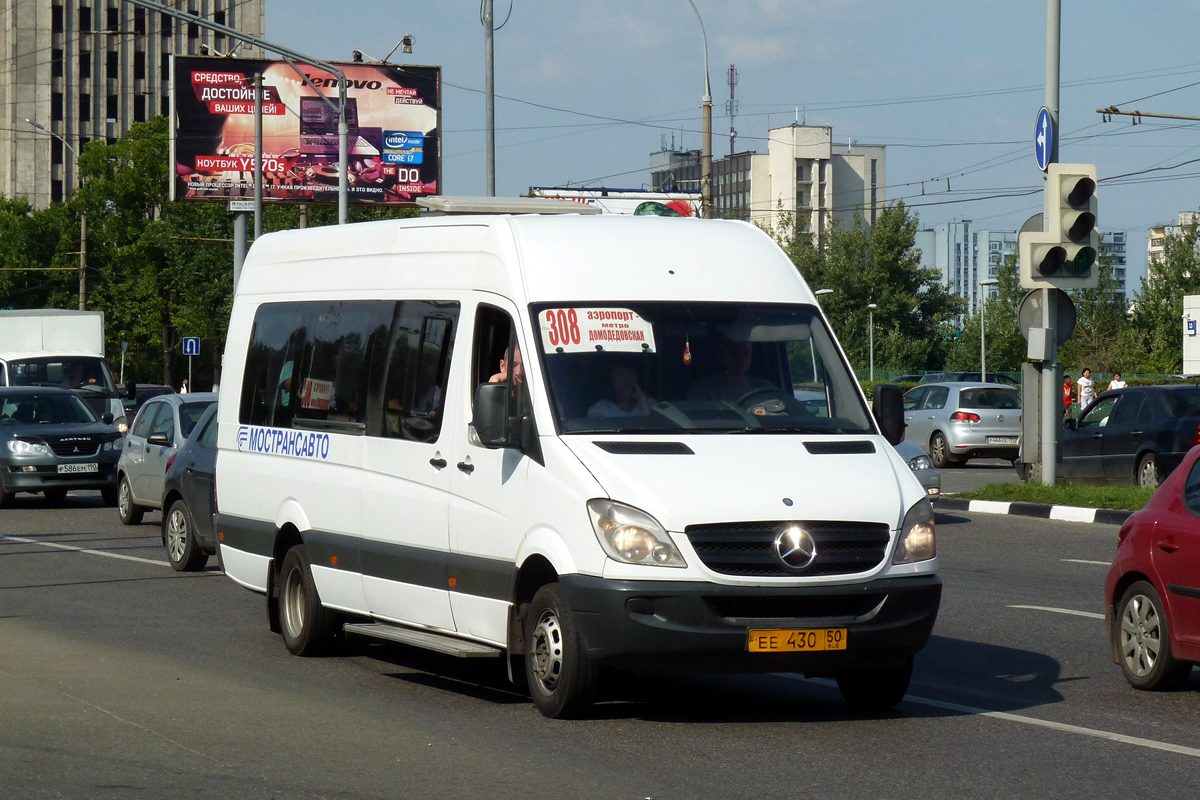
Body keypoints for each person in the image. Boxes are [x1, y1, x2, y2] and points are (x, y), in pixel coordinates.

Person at [687, 338, 773, 402]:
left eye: (746, 352)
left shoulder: (764, 389)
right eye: (735, 352)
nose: (742, 359)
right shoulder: (701, 390)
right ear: (721, 354)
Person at [588, 362, 655, 418]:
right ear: (611, 380)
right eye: (620, 374)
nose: (627, 379)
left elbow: (655, 428)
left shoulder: (649, 403)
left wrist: (642, 400)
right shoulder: (599, 409)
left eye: (631, 373)